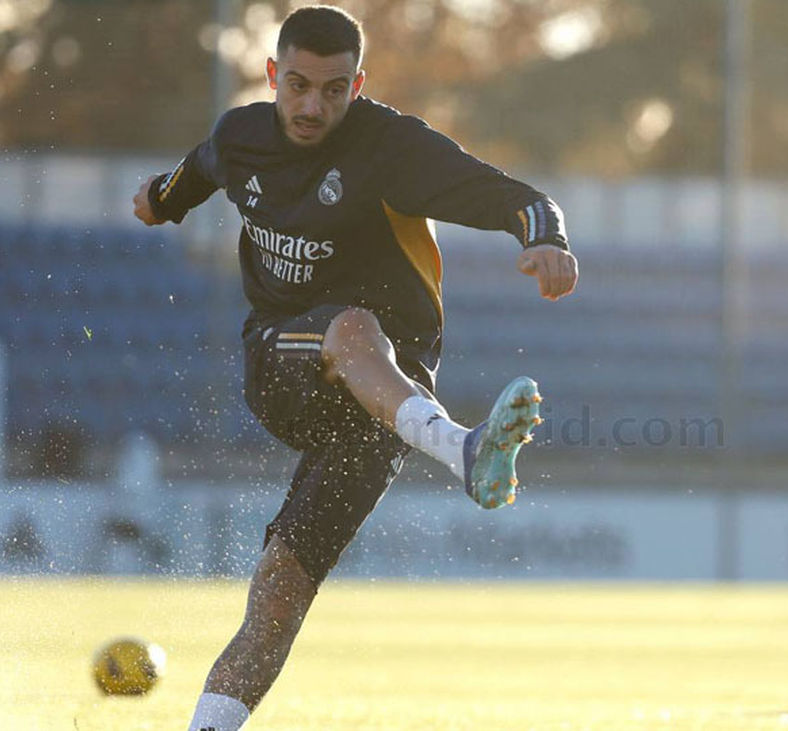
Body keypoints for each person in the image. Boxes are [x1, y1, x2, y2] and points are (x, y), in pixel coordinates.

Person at [130, 6, 578, 729]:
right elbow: (187, 179)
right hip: (284, 362)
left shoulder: (391, 147)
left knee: (279, 593)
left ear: (358, 85)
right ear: (273, 75)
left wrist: (547, 237)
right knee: (350, 326)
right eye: (299, 85)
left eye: (334, 90)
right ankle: (465, 452)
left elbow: (509, 194)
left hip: (385, 408)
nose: (313, 106)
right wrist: (155, 200)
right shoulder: (240, 138)